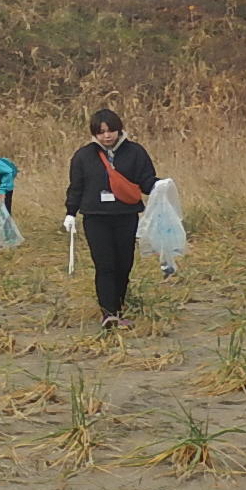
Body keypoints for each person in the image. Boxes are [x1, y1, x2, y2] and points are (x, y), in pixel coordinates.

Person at [63, 108, 157, 330]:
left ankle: (119, 306)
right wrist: (70, 212)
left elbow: (146, 180)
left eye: (111, 130)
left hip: (126, 215)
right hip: (96, 218)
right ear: (94, 133)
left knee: (124, 264)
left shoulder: (135, 152)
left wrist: (161, 187)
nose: (107, 136)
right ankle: (109, 314)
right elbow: (76, 187)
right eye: (101, 132)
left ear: (119, 129)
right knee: (105, 265)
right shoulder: (83, 156)